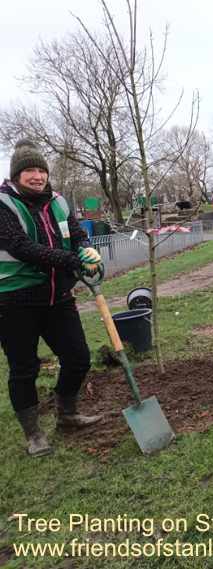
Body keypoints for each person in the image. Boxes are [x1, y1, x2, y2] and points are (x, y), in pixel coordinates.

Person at [0, 139, 103, 457]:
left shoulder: (58, 201)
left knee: (78, 358)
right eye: (29, 170)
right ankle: (34, 435)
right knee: (24, 368)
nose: (36, 176)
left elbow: (75, 231)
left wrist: (85, 247)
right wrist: (70, 260)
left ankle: (67, 414)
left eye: (41, 170)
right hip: (14, 300)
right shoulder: (4, 205)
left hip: (58, 296)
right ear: (17, 174)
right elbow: (20, 247)